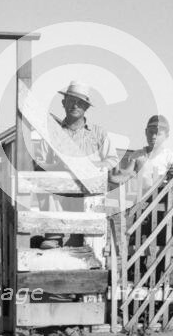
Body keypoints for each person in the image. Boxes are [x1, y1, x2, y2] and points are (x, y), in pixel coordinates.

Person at [35, 80, 118, 248]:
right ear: (64, 103)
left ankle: (79, 238)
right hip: (60, 192)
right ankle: (54, 236)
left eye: (80, 102)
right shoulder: (51, 132)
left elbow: (112, 160)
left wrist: (93, 166)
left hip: (87, 192)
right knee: (51, 190)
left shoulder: (97, 133)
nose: (75, 105)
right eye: (71, 100)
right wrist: (59, 167)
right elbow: (39, 163)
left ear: (86, 107)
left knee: (92, 199)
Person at [110, 114, 173, 192]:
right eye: (151, 132)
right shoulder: (137, 155)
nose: (153, 136)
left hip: (160, 195)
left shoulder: (169, 156)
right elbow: (128, 173)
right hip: (140, 194)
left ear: (166, 135)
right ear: (146, 132)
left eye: (158, 134)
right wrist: (115, 174)